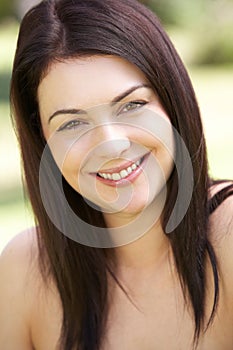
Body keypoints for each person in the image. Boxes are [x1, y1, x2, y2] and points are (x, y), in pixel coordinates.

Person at [0, 0, 233, 349]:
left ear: (172, 100)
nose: (110, 145)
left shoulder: (229, 234)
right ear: (43, 142)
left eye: (132, 105)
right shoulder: (24, 270)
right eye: (73, 123)